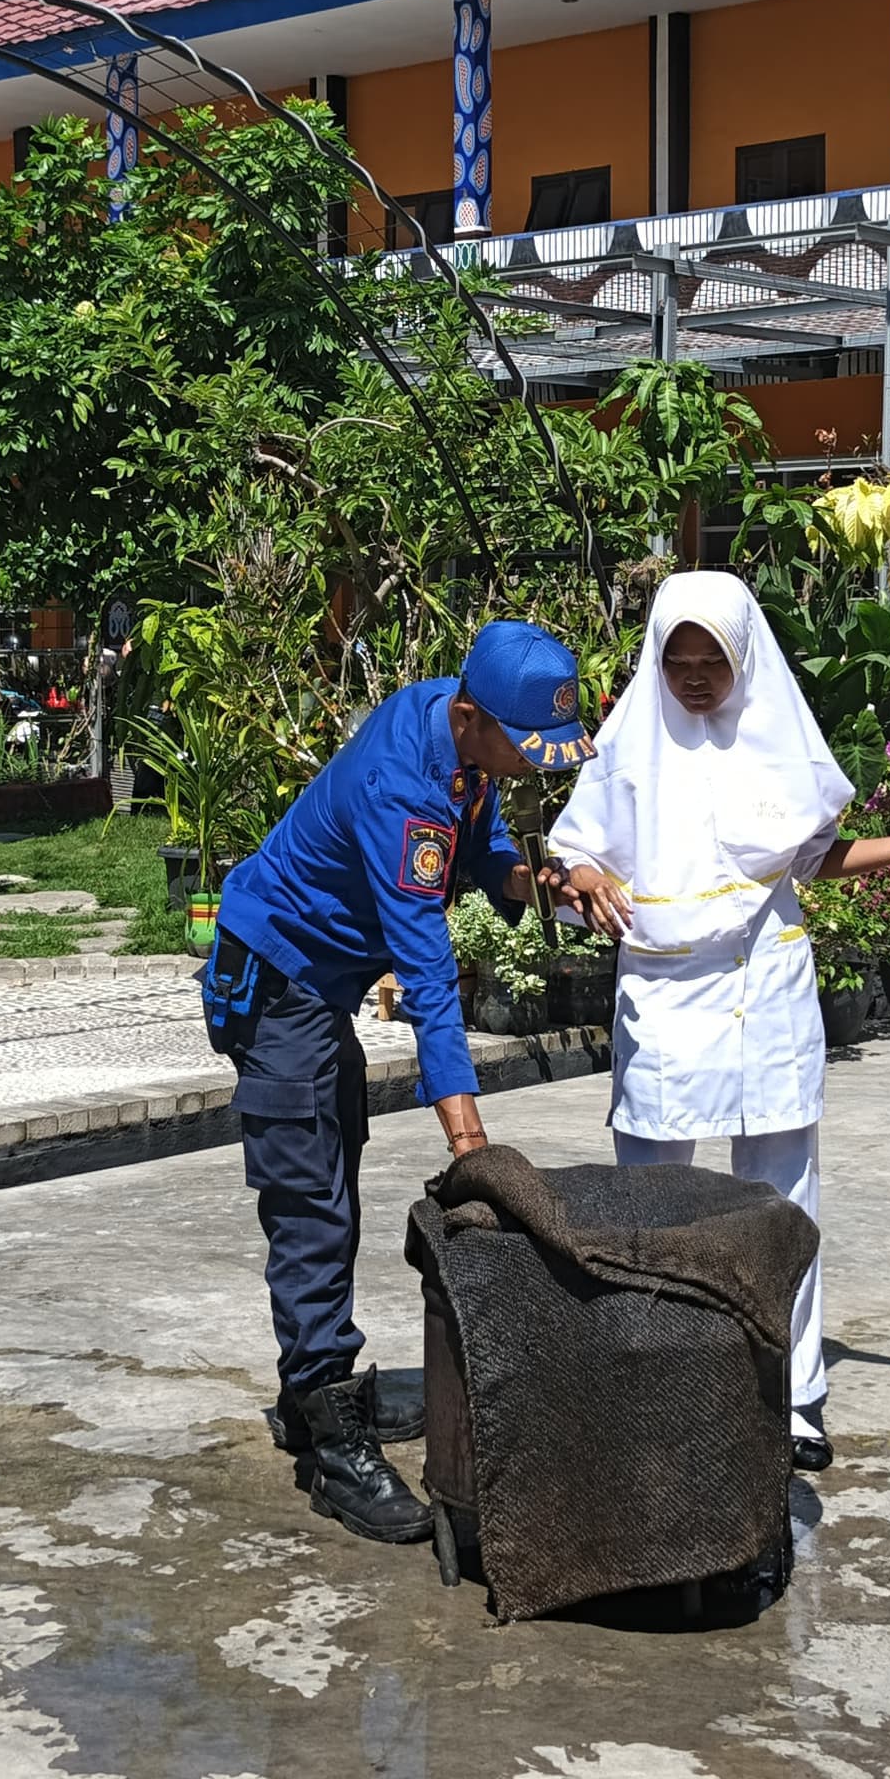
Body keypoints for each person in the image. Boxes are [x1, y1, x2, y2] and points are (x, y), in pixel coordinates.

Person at [548, 572, 890, 1471]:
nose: (696, 679)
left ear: (745, 659)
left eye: (715, 661)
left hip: (764, 989)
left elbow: (810, 858)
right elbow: (568, 865)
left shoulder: (776, 740)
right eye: (678, 660)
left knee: (782, 1196)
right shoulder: (627, 748)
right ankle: (658, 1375)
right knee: (654, 1202)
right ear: (655, 658)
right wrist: (579, 884)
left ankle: (792, 1394)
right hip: (664, 999)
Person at [204, 618, 600, 1542]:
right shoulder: (404, 789)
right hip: (275, 983)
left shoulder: (450, 736)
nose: (532, 767)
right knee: (312, 1204)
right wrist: (470, 1143)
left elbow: (485, 854)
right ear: (472, 716)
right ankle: (329, 1444)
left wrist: (546, 882)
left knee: (333, 1168)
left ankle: (310, 1393)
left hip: (318, 988)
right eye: (522, 747)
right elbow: (426, 971)